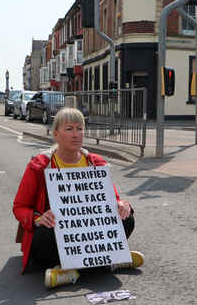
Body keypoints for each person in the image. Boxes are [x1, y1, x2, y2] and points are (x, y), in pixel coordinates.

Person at [13, 107, 144, 288]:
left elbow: (112, 199)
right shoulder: (39, 165)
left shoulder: (95, 162)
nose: (76, 134)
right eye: (69, 129)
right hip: (57, 234)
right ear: (56, 134)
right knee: (43, 235)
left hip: (90, 233)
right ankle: (109, 262)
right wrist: (39, 218)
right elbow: (20, 207)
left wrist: (121, 204)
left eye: (80, 129)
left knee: (127, 219)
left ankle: (73, 269)